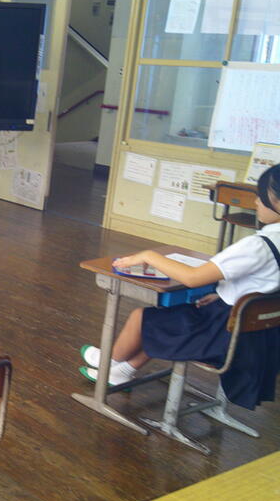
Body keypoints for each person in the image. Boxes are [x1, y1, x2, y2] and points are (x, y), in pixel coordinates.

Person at [79, 165, 280, 410]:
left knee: (142, 317)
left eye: (261, 196)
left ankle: (108, 361)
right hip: (258, 337)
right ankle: (122, 372)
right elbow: (265, 286)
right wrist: (222, 295)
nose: (256, 202)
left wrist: (149, 256)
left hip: (222, 334)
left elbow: (193, 278)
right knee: (169, 319)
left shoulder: (258, 245)